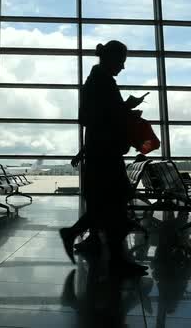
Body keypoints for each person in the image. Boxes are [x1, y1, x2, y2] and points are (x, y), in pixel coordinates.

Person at [60, 40, 150, 276]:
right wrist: (125, 108)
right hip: (105, 154)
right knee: (116, 204)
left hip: (103, 152)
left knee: (107, 205)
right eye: (120, 62)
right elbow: (93, 118)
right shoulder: (99, 82)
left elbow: (98, 117)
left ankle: (77, 237)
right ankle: (117, 261)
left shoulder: (99, 81)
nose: (122, 67)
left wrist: (123, 109)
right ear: (109, 59)